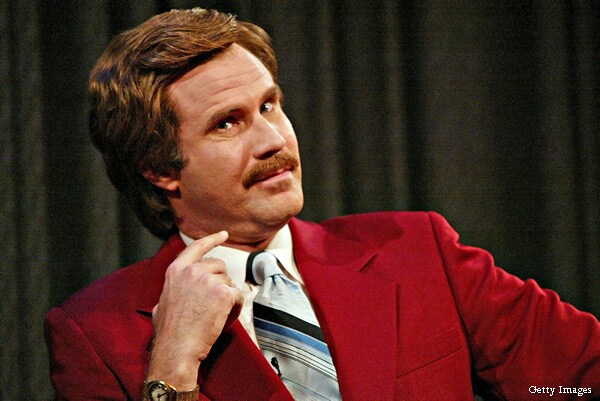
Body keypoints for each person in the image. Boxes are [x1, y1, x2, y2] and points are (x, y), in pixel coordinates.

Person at [44, 7, 600, 401]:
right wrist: (171, 370)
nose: (274, 140)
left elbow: (576, 379)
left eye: (269, 105)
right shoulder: (95, 334)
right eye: (227, 123)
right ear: (160, 168)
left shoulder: (418, 250)